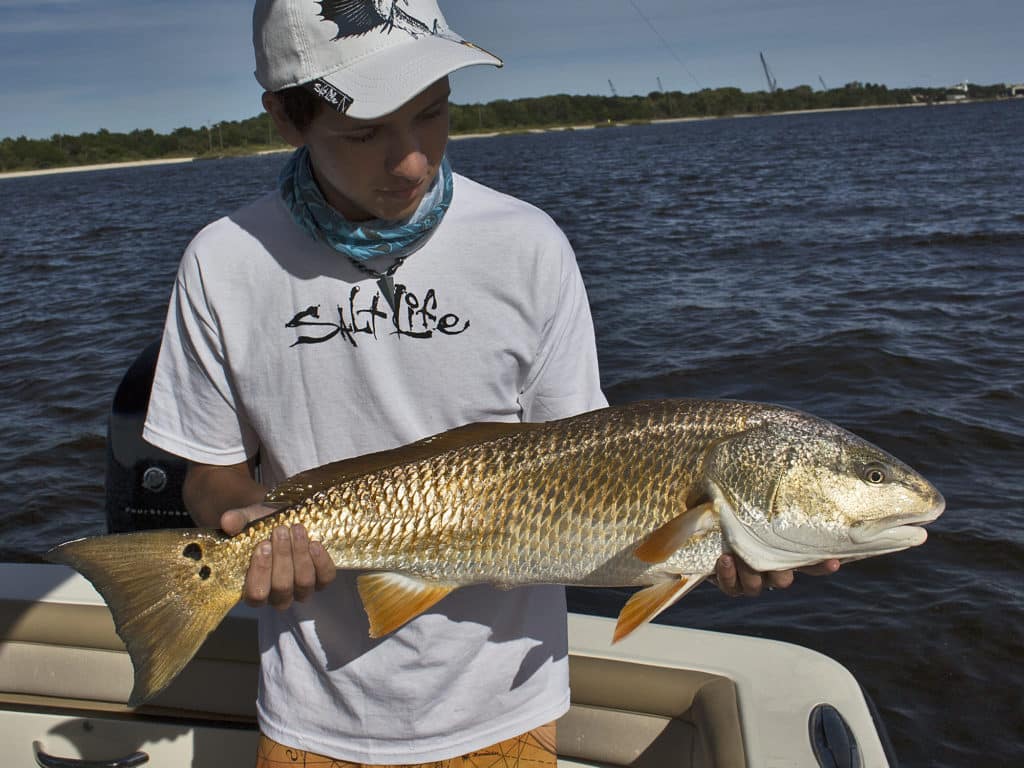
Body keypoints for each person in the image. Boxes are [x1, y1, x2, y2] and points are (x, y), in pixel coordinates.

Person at [143, 1, 839, 765]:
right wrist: (249, 528)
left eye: (434, 113)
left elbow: (591, 474)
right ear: (284, 117)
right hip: (311, 710)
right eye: (366, 133)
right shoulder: (223, 261)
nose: (411, 160)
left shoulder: (527, 245)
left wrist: (718, 548)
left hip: (506, 705)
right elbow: (206, 467)